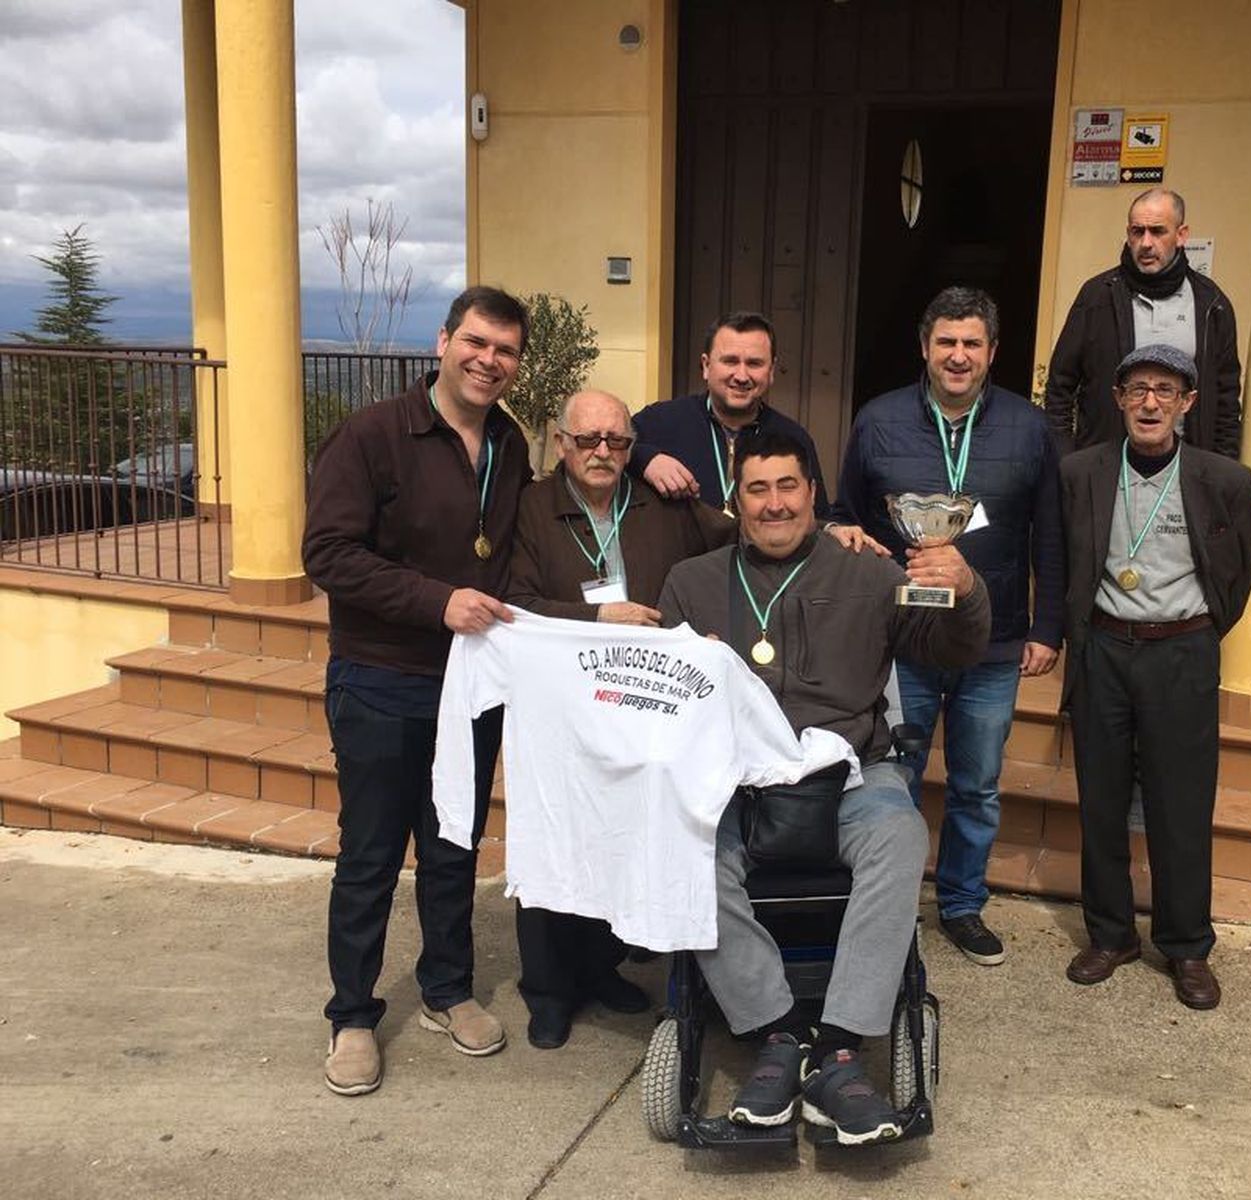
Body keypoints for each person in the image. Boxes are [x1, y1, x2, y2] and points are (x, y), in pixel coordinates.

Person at [657, 427, 990, 1145]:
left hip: (850, 774)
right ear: (736, 500)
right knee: (685, 854)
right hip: (738, 783)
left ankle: (839, 1050)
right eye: (757, 489)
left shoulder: (869, 573)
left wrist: (965, 591)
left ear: (812, 493)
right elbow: (664, 708)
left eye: (788, 486)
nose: (774, 504)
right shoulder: (692, 582)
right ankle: (776, 1031)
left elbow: (950, 647)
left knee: (900, 836)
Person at [303, 286, 532, 1095]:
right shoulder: (371, 436)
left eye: (505, 350)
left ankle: (446, 990)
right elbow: (328, 555)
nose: (488, 360)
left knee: (452, 847)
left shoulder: (509, 442)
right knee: (370, 855)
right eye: (476, 342)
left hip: (470, 688)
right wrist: (437, 602)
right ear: (443, 342)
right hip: (380, 679)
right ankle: (352, 1016)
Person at [832, 286, 1064, 967]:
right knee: (894, 777)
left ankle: (962, 905)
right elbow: (846, 513)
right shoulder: (879, 421)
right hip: (902, 638)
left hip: (993, 642)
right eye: (946, 342)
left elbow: (1050, 534)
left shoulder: (1028, 428)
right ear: (924, 348)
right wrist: (844, 534)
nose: (958, 356)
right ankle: (892, 906)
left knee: (977, 784)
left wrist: (1047, 627)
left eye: (971, 344)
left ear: (992, 351)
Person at [503, 388, 735, 1049]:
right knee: (558, 835)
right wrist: (597, 616)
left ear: (632, 448)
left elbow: (738, 536)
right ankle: (549, 989)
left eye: (616, 441)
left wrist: (829, 531)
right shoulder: (531, 507)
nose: (602, 451)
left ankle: (600, 967)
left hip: (639, 703)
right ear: (562, 442)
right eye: (588, 439)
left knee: (620, 835)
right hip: (561, 707)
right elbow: (515, 600)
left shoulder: (660, 503)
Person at [1058, 344, 1251, 1010]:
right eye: (1138, 389)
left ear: (1187, 403)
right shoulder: (1081, 473)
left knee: (1182, 806)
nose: (1150, 403)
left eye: (1165, 391)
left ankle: (1186, 945)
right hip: (1104, 650)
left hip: (1181, 653)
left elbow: (1237, 576)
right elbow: (1062, 559)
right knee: (1101, 800)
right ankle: (1110, 935)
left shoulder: (1225, 481)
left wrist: (1194, 634)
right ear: (1118, 398)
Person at [1044, 188, 1242, 459]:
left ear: (1181, 235)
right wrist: (1064, 459)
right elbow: (1060, 387)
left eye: (1158, 231)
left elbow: (1226, 402)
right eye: (1138, 232)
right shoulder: (1097, 297)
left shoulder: (1211, 304)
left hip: (1186, 468)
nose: (1146, 243)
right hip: (1106, 466)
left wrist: (1221, 469)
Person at [628, 311, 830, 518]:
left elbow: (818, 518)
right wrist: (645, 459)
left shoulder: (793, 438)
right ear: (706, 366)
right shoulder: (660, 421)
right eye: (730, 361)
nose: (741, 376)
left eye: (754, 363)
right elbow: (613, 447)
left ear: (771, 371)